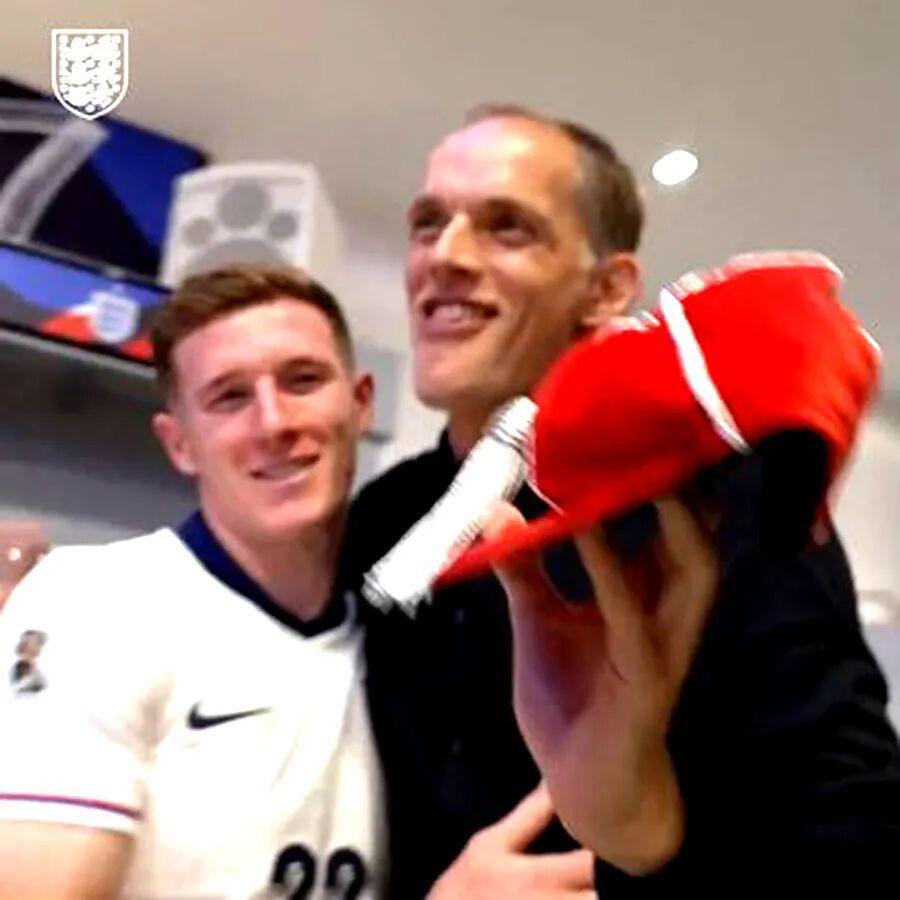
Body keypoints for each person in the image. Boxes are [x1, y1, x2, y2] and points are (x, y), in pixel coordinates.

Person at [347, 106, 900, 897]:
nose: (445, 255)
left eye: (507, 227)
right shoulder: (382, 517)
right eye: (427, 223)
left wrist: (643, 846)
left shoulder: (715, 500)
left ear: (607, 289)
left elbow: (850, 837)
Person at [0, 265, 386, 899]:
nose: (274, 422)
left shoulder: (404, 641)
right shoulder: (96, 604)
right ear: (179, 444)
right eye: (230, 397)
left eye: (303, 380)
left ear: (361, 403)